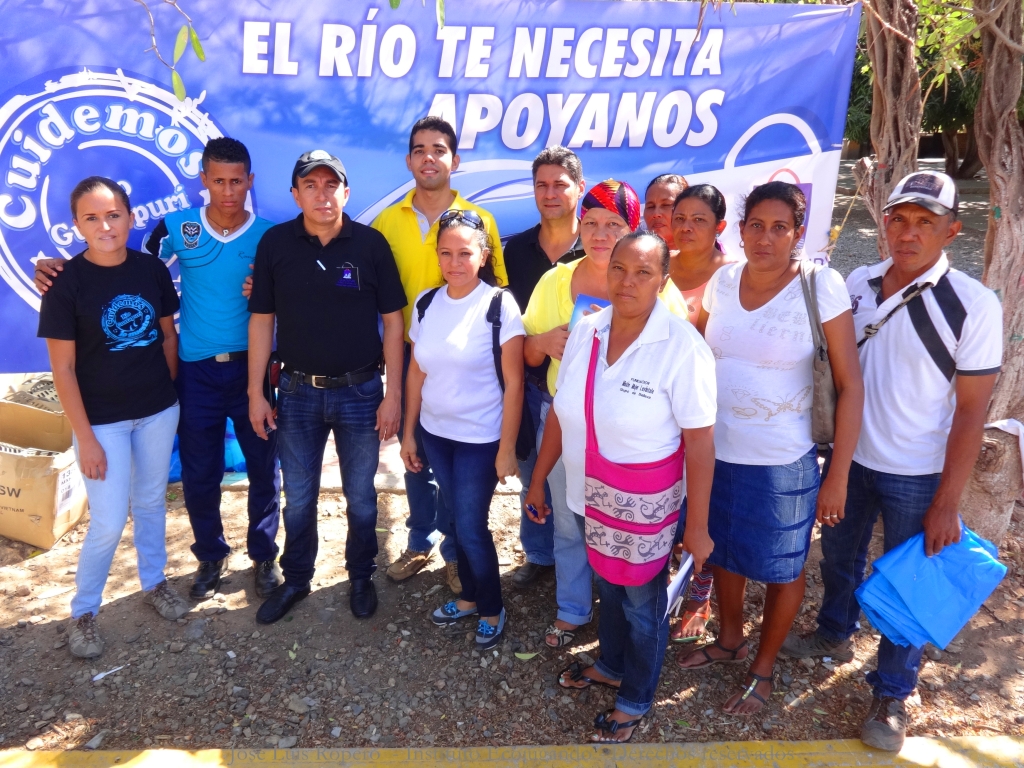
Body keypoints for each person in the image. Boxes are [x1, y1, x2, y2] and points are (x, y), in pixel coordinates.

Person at [781, 171, 1002, 751]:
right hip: (851, 462)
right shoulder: (858, 281)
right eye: (900, 219)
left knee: (908, 586)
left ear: (952, 231)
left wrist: (947, 503)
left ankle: (892, 691)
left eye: (926, 223)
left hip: (919, 473)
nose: (908, 233)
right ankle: (833, 632)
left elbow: (972, 414)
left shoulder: (974, 306)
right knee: (840, 557)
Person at [38, 138, 284, 601]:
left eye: (237, 181)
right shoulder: (174, 227)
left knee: (263, 469)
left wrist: (270, 290)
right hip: (196, 373)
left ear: (250, 182)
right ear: (203, 182)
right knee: (198, 472)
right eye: (218, 180)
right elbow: (124, 263)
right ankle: (210, 556)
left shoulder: (272, 236)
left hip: (254, 373)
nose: (228, 190)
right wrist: (53, 270)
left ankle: (264, 556)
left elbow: (294, 289)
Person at [678, 182, 864, 718]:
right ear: (739, 231)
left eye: (779, 227)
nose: (765, 237)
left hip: (784, 459)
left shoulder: (819, 285)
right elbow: (697, 348)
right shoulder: (724, 279)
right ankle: (731, 637)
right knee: (725, 551)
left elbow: (850, 385)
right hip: (717, 450)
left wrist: (838, 476)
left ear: (798, 234)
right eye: (755, 225)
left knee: (783, 568)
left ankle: (763, 668)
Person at [525, 231, 717, 742]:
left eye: (644, 273)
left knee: (639, 600)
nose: (628, 282)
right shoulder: (586, 331)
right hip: (588, 491)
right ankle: (611, 664)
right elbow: (562, 415)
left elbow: (700, 446)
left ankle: (636, 696)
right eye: (619, 270)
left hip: (643, 502)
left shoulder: (682, 347)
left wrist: (696, 528)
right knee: (608, 586)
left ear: (663, 281)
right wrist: (539, 477)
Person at [522, 179, 689, 649]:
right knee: (570, 521)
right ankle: (573, 608)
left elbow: (677, 361)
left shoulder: (658, 292)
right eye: (590, 223)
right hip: (565, 423)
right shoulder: (556, 280)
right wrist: (542, 343)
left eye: (613, 224)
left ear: (632, 228)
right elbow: (526, 355)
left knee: (622, 532)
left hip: (632, 438)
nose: (599, 234)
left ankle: (618, 620)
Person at [247, 150, 406, 624]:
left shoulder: (371, 245)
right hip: (296, 392)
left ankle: (361, 575)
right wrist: (256, 391)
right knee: (298, 494)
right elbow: (261, 321)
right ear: (295, 194)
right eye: (310, 185)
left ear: (346, 192)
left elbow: (393, 324)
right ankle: (296, 578)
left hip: (360, 393)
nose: (322, 194)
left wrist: (392, 393)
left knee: (360, 495)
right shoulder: (276, 244)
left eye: (330, 184)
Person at [38, 177, 188, 659]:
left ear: (130, 216)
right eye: (92, 217)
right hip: (101, 423)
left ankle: (155, 582)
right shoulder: (65, 284)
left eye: (114, 215)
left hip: (157, 412)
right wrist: (87, 439)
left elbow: (167, 337)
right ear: (77, 225)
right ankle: (83, 612)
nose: (105, 226)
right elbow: (62, 368)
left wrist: (164, 395)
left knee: (149, 502)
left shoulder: (150, 270)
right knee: (106, 520)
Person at [372, 116, 508, 594]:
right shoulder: (388, 222)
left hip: (468, 362)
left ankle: (456, 551)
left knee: (456, 456)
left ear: (455, 159)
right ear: (409, 160)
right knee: (416, 455)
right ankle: (419, 538)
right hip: (414, 357)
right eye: (419, 149)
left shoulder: (479, 220)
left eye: (439, 149)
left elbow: (497, 292)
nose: (429, 157)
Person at [401, 209, 525, 650]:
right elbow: (416, 373)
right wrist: (409, 433)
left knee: (471, 526)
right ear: (436, 255)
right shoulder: (426, 303)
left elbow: (514, 384)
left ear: (484, 255)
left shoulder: (498, 305)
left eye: (465, 253)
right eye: (446, 253)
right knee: (456, 518)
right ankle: (470, 599)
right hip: (436, 434)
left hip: (481, 438)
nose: (455, 263)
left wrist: (506, 448)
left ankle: (491, 607)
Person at [502, 146, 586, 589]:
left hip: (586, 393)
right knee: (534, 473)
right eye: (541, 185)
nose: (550, 193)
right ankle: (539, 554)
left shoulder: (599, 246)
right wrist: (535, 344)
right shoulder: (515, 250)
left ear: (580, 188)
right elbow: (504, 322)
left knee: (582, 481)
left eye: (560, 184)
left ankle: (589, 566)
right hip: (530, 384)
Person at [664, 184, 735, 642]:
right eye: (681, 218)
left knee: (702, 506)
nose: (687, 228)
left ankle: (700, 592)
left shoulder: (732, 277)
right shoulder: (654, 265)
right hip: (657, 411)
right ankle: (664, 586)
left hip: (708, 411)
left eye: (700, 220)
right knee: (667, 503)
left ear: (720, 227)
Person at [642, 174, 688, 251]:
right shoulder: (635, 259)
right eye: (650, 206)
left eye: (666, 205)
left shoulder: (708, 258)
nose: (656, 214)